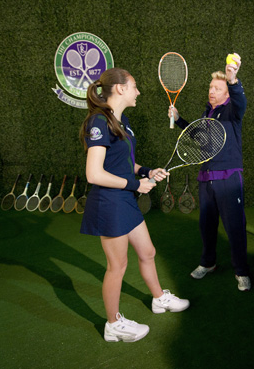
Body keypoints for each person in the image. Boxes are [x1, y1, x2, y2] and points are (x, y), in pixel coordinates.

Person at [79, 68, 189, 342]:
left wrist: (147, 172)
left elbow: (125, 162)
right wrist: (135, 185)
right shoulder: (98, 122)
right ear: (119, 88)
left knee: (148, 252)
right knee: (117, 265)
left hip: (124, 199)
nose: (138, 92)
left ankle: (158, 299)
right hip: (109, 202)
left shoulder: (122, 120)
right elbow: (94, 174)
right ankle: (113, 324)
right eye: (135, 87)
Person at [169, 53, 251, 291]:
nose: (212, 91)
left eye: (217, 88)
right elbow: (200, 138)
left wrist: (233, 80)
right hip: (206, 180)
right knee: (206, 226)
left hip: (229, 179)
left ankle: (242, 271)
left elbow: (241, 101)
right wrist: (180, 120)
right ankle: (208, 263)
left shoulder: (233, 112)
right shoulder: (208, 114)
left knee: (235, 227)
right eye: (211, 87)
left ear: (226, 93)